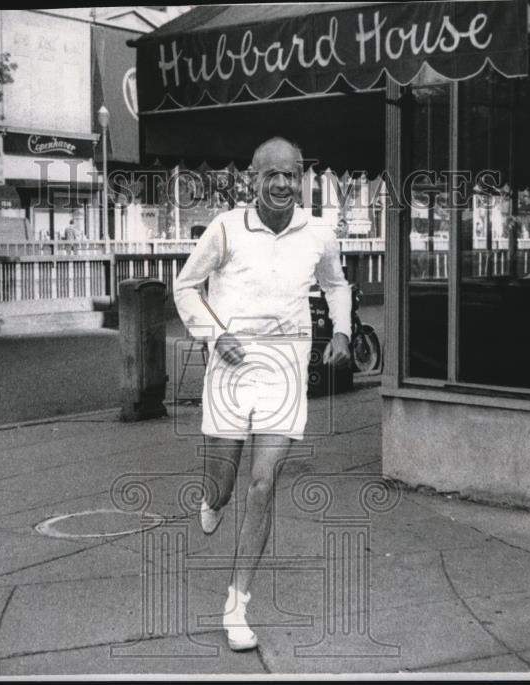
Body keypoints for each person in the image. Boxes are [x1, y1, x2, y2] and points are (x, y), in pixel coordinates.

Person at [173, 137, 351, 651]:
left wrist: (340, 331)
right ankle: (211, 498)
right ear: (253, 178)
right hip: (230, 370)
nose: (281, 184)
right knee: (226, 486)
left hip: (285, 372)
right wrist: (213, 334)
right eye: (271, 174)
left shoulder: (318, 233)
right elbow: (186, 286)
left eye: (291, 175)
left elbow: (336, 285)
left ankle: (237, 604)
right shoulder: (227, 228)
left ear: (302, 179)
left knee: (263, 483)